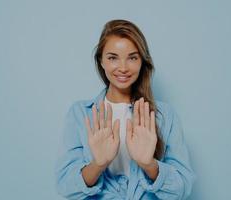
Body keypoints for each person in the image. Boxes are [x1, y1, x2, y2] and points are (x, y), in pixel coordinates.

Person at [55, 19, 195, 200]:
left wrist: (149, 164)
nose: (123, 68)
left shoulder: (165, 116)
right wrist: (98, 165)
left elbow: (182, 189)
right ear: (101, 61)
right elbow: (66, 187)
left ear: (142, 62)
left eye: (132, 58)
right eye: (113, 57)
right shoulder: (80, 113)